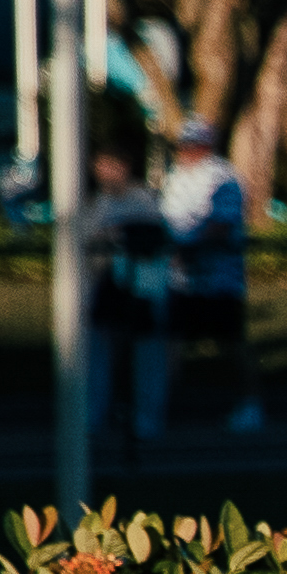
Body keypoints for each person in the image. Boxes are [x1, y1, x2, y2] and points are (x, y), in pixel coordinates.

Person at [157, 115, 259, 433]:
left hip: (219, 280)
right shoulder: (174, 177)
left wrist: (186, 251)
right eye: (183, 144)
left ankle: (250, 404)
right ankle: (160, 405)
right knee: (169, 342)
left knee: (231, 345)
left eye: (193, 144)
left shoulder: (223, 177)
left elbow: (220, 226)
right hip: (180, 279)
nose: (186, 151)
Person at [79, 143, 169, 446]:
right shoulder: (95, 203)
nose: (106, 173)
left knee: (147, 351)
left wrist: (120, 236)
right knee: (98, 349)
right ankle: (95, 414)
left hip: (140, 286)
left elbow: (154, 237)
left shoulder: (143, 199)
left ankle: (147, 417)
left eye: (112, 166)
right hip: (105, 286)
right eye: (101, 166)